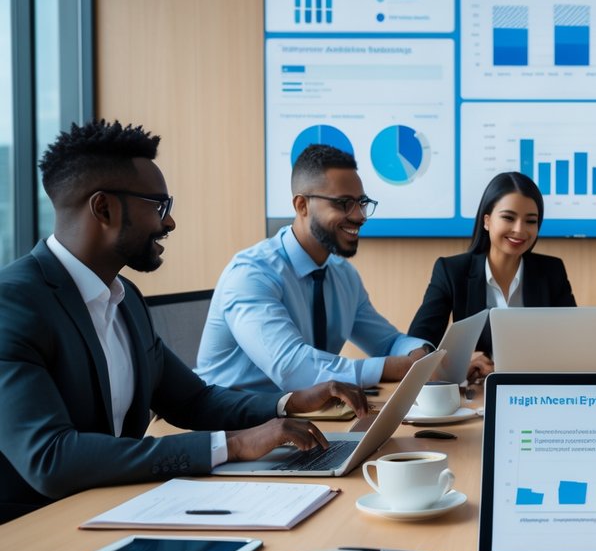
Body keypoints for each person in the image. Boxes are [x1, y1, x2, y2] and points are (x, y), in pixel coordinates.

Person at [0, 121, 367, 522]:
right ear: (103, 208)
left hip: (117, 509)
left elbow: (194, 400)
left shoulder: (125, 298)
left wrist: (289, 403)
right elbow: (51, 459)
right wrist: (233, 445)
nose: (169, 222)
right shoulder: (14, 304)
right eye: (159, 206)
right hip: (36, 529)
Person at [196, 144, 430, 392]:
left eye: (361, 202)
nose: (360, 216)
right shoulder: (251, 274)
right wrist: (400, 367)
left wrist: (424, 355)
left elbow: (388, 342)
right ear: (301, 206)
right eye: (343, 203)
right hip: (234, 423)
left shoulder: (343, 275)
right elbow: (294, 369)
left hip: (303, 416)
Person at [408, 171, 575, 380]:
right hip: (478, 392)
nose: (519, 229)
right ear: (487, 221)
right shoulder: (451, 271)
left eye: (530, 221)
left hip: (536, 389)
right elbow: (418, 342)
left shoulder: (552, 271)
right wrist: (459, 365)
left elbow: (571, 341)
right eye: (508, 217)